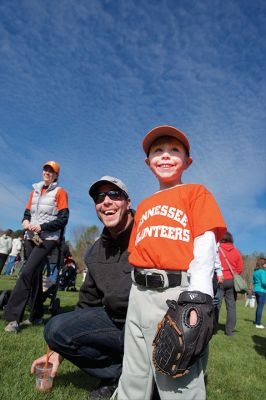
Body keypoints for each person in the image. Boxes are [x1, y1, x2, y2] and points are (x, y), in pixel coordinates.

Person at [116, 125, 226, 400]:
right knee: (133, 373)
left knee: (176, 375)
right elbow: (138, 253)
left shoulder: (195, 192)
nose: (165, 156)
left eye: (174, 150)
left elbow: (205, 244)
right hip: (138, 293)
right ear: (148, 162)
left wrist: (198, 297)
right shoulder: (142, 206)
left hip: (176, 293)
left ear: (187, 161)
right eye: (158, 151)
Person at [31, 176, 134, 400]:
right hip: (116, 325)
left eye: (114, 195)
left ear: (128, 202)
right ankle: (117, 374)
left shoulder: (148, 234)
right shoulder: (95, 251)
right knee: (55, 330)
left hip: (149, 325)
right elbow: (87, 302)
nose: (106, 201)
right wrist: (57, 353)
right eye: (100, 197)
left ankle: (146, 374)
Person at [4, 161, 69, 332]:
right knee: (35, 275)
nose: (47, 173)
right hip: (30, 237)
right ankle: (37, 315)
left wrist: (43, 227)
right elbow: (27, 214)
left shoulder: (60, 192)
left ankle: (12, 318)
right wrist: (25, 222)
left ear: (56, 175)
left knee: (26, 272)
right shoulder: (34, 192)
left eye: (51, 171)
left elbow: (63, 219)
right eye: (46, 170)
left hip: (47, 238)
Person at [217, 231, 243, 336]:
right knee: (231, 307)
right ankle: (229, 331)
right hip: (231, 281)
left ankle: (212, 328)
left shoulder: (217, 249)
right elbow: (239, 268)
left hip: (219, 279)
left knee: (216, 305)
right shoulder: (236, 252)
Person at [252, 257, 266, 329]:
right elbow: (264, 282)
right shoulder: (263, 272)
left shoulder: (255, 272)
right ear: (263, 264)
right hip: (262, 291)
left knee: (258, 307)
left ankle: (256, 322)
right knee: (260, 307)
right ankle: (258, 324)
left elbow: (253, 282)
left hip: (256, 290)